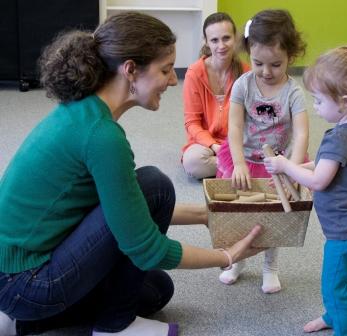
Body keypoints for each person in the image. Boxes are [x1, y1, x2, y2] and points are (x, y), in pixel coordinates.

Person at [0, 12, 265, 336]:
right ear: (130, 70)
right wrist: (226, 255)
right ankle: (114, 326)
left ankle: (29, 322)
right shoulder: (101, 136)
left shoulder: (86, 110)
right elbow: (145, 246)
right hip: (24, 279)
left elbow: (122, 207)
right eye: (166, 70)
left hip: (17, 271)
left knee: (155, 290)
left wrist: (209, 214)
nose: (172, 80)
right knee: (155, 187)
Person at [264, 44, 347, 335]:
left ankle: (343, 327)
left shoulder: (338, 139)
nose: (314, 107)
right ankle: (332, 317)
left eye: (318, 101)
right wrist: (298, 168)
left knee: (334, 288)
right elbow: (322, 166)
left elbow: (319, 181)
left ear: (345, 102)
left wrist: (284, 166)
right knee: (337, 284)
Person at [216, 9, 309, 294]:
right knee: (242, 212)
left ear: (290, 58)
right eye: (258, 63)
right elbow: (233, 126)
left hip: (276, 164)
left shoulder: (293, 92)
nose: (266, 72)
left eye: (275, 65)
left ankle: (270, 266)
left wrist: (292, 169)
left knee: (273, 217)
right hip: (243, 159)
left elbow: (302, 132)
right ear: (248, 55)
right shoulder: (243, 84)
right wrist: (240, 163)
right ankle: (239, 260)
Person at [181, 12, 250, 179]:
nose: (221, 45)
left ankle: (237, 166)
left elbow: (251, 118)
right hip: (205, 144)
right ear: (206, 42)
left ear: (235, 38)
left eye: (226, 38)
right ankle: (241, 168)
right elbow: (192, 123)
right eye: (214, 40)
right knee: (193, 162)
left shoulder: (247, 73)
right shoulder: (194, 73)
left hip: (238, 140)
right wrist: (214, 145)